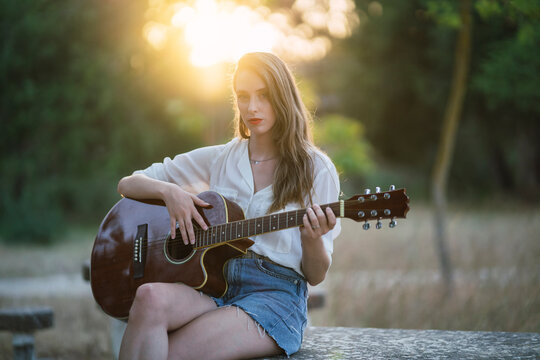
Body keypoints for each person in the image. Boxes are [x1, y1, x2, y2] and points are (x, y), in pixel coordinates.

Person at [116, 52, 341, 360]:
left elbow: (316, 275)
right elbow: (128, 184)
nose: (252, 107)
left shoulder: (317, 168)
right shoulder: (223, 158)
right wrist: (170, 192)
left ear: (283, 97)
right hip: (214, 283)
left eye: (264, 95)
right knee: (148, 297)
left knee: (174, 353)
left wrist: (311, 238)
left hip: (274, 297)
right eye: (243, 96)